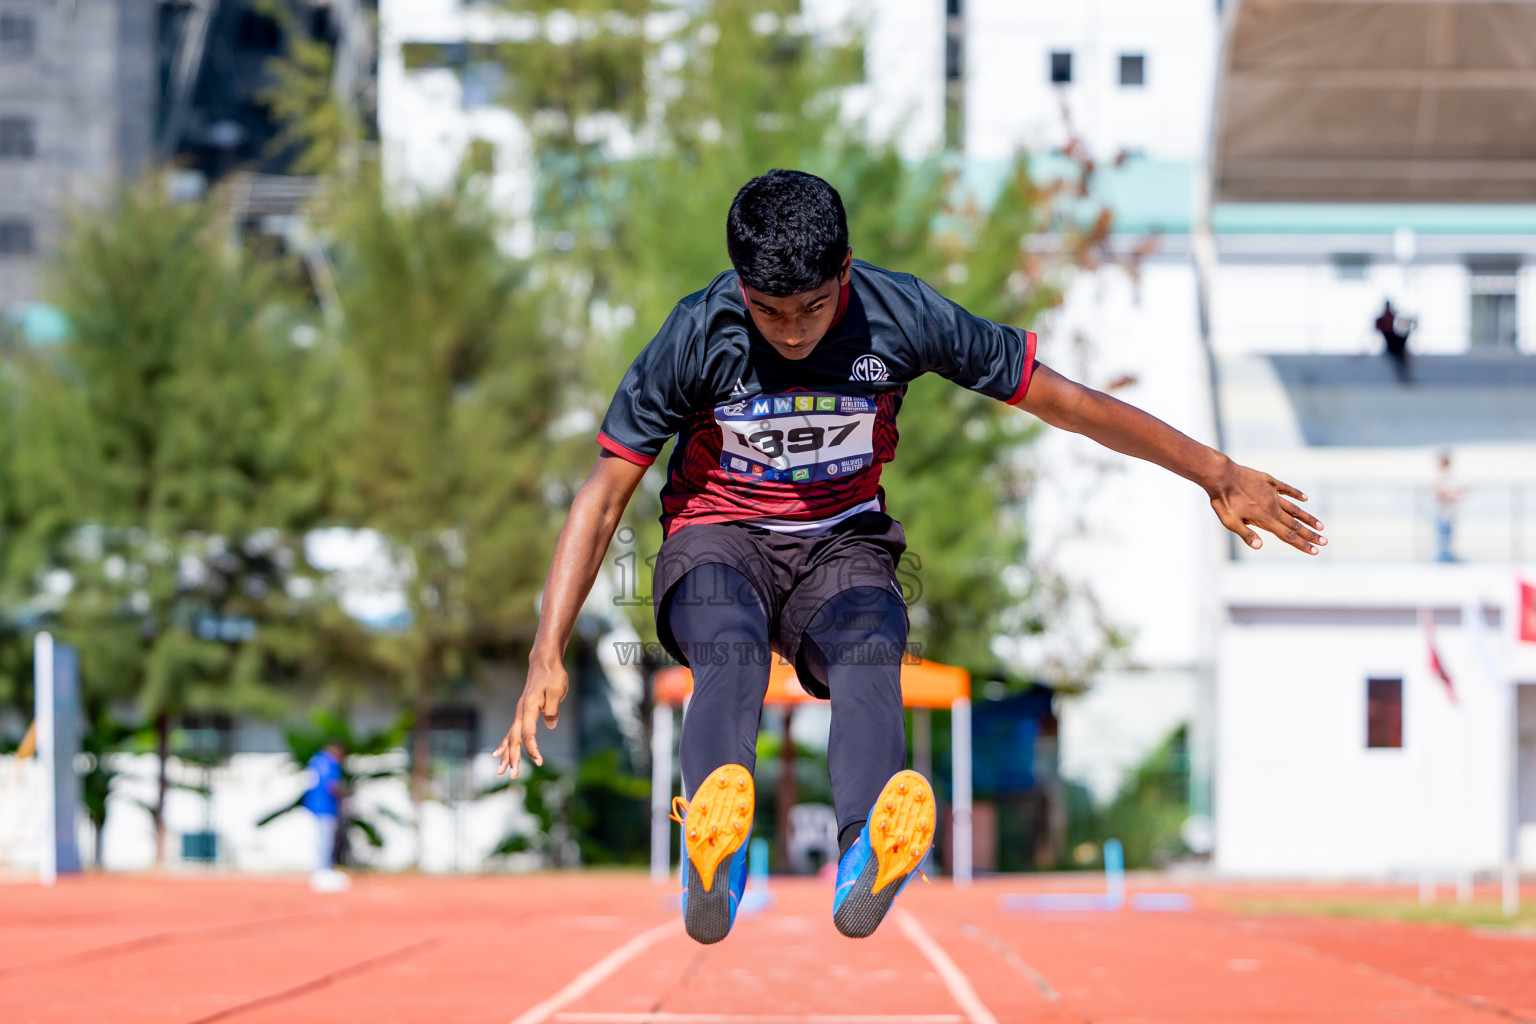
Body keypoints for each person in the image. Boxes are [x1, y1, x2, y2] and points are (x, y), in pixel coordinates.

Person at [494, 169, 1325, 944]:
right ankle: (716, 848)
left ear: (847, 271)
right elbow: (604, 493)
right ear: (739, 286)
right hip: (719, 537)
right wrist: (545, 651)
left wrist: (1215, 472)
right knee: (731, 647)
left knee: (869, 644)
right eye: (769, 311)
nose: (791, 332)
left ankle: (865, 852)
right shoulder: (696, 332)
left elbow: (1066, 403)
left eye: (812, 309)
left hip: (843, 541)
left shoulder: (902, 315)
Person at [303, 742, 348, 892]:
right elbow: (332, 785)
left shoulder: (316, 760)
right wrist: (345, 796)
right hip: (325, 807)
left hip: (314, 805)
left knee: (321, 840)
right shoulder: (330, 763)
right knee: (325, 841)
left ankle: (320, 871)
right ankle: (321, 872)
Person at [1433, 449, 1464, 563]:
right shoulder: (1440, 476)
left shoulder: (1448, 476)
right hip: (1443, 512)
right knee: (1443, 539)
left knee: (1448, 537)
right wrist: (1455, 493)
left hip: (1449, 512)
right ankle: (1443, 560)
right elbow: (1440, 493)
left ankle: (1446, 558)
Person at [1375, 300, 1415, 383]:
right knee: (1399, 361)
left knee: (1400, 361)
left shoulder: (1391, 316)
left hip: (1395, 342)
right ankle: (1404, 378)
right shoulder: (1382, 319)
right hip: (1392, 343)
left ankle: (1405, 377)